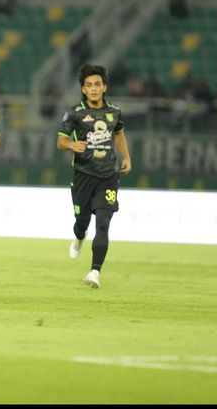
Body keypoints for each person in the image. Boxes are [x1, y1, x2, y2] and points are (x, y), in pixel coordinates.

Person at [57, 64, 132, 289]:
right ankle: (79, 237)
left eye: (97, 84)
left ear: (104, 87)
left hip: (108, 175)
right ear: (83, 89)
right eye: (89, 85)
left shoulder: (115, 111)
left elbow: (119, 134)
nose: (93, 89)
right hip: (83, 176)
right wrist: (71, 144)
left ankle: (94, 271)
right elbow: (60, 142)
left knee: (103, 223)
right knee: (82, 222)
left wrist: (126, 157)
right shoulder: (74, 113)